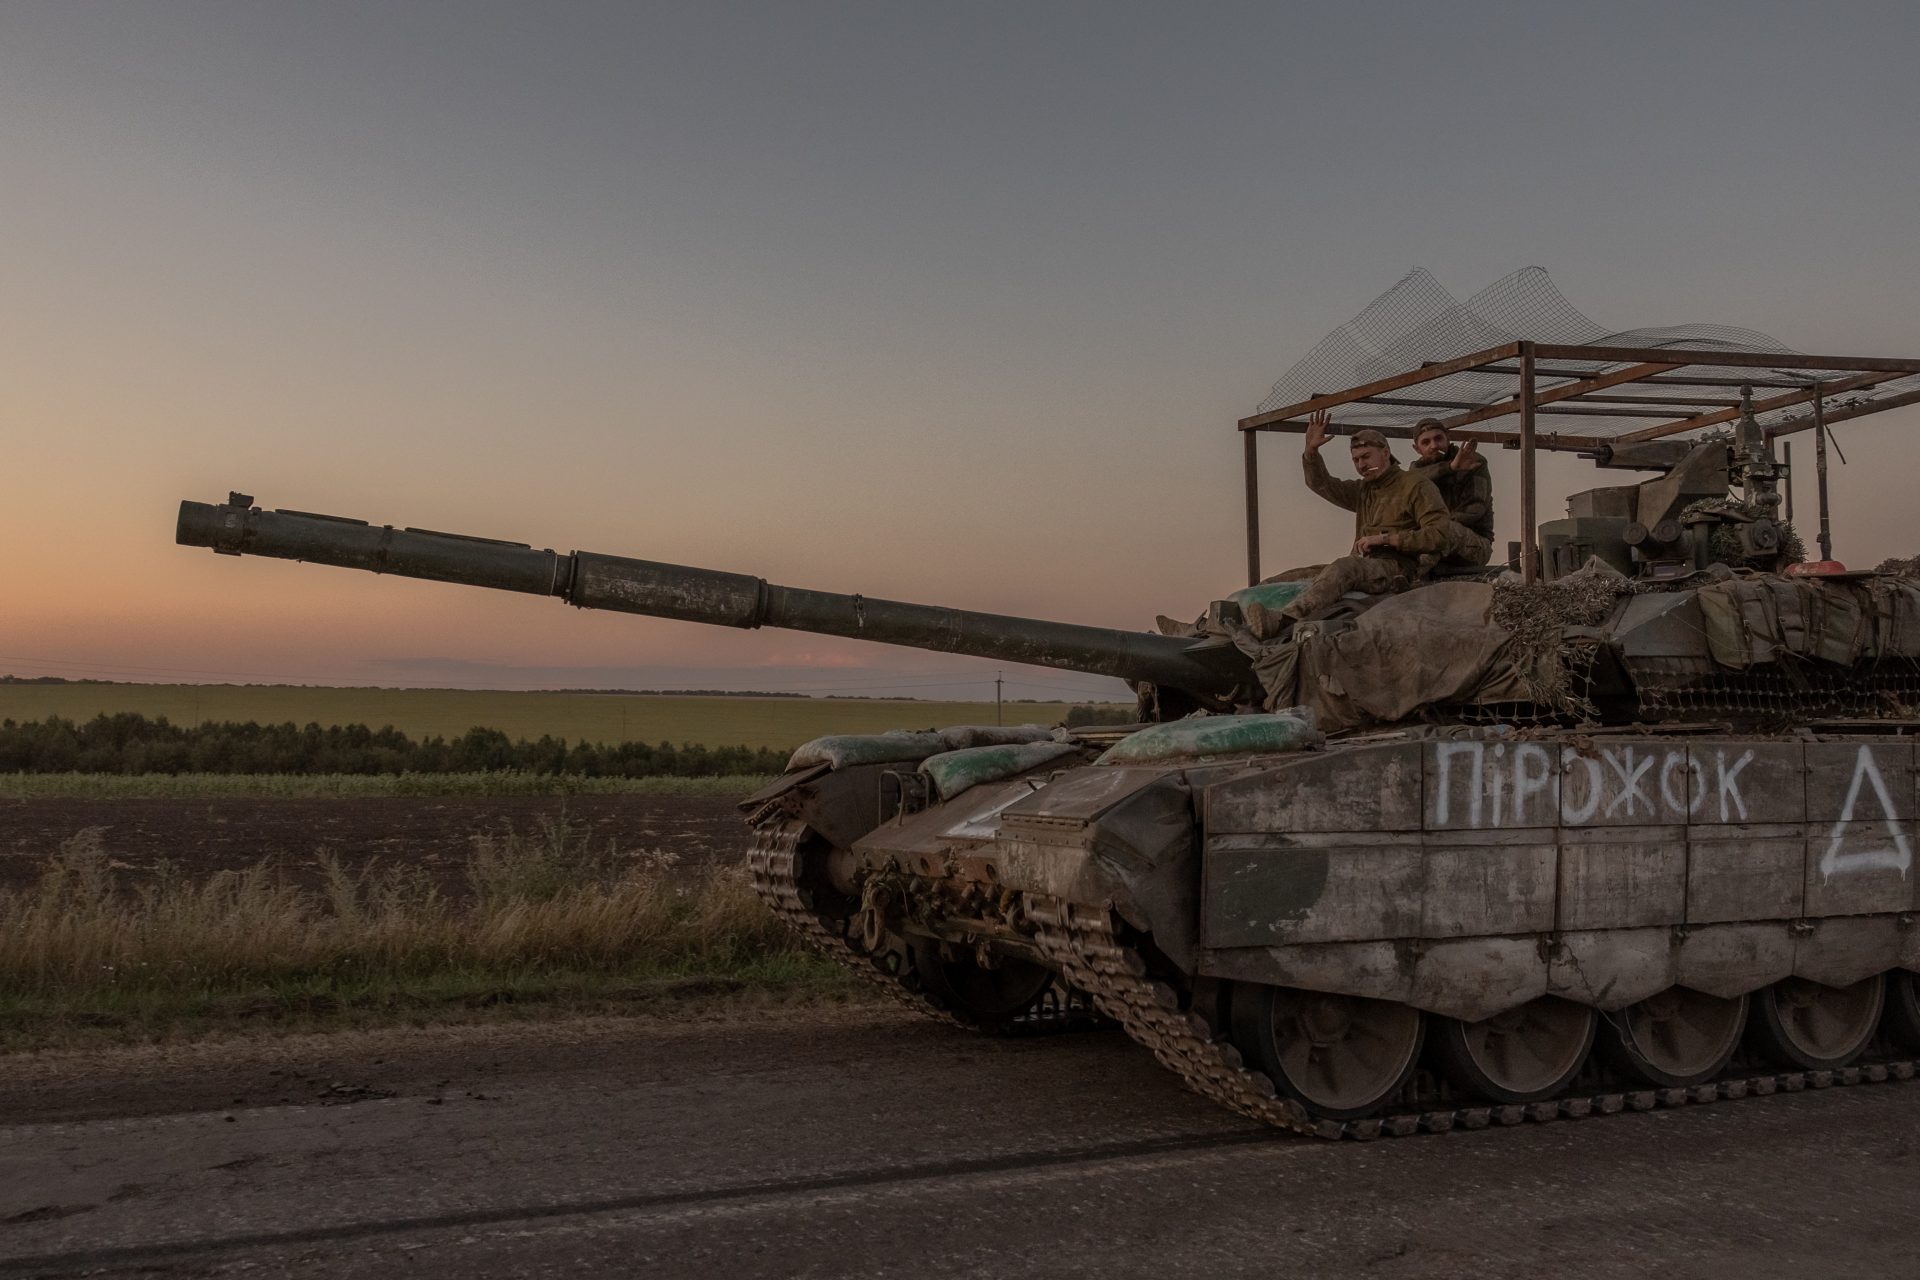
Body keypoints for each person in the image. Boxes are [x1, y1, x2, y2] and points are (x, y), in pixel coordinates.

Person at [1251, 410, 1454, 636]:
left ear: (1385, 453)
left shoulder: (1415, 485)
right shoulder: (1365, 490)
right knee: (1287, 579)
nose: (1361, 465)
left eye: (1366, 457)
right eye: (1356, 460)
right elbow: (1323, 485)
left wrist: (1388, 539)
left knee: (1343, 567)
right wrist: (1311, 452)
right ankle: (1243, 620)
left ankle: (1284, 620)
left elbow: (1439, 534)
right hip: (1363, 564)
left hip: (1397, 568)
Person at [1409, 417, 1495, 568]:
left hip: (1473, 546)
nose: (1434, 445)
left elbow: (1475, 510)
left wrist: (1431, 530)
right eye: (1426, 442)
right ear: (1417, 449)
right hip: (1431, 541)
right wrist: (1450, 467)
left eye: (1438, 438)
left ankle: (1414, 572)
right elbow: (1410, 481)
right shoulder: (1417, 471)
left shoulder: (1472, 462)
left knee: (1446, 529)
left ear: (1448, 438)